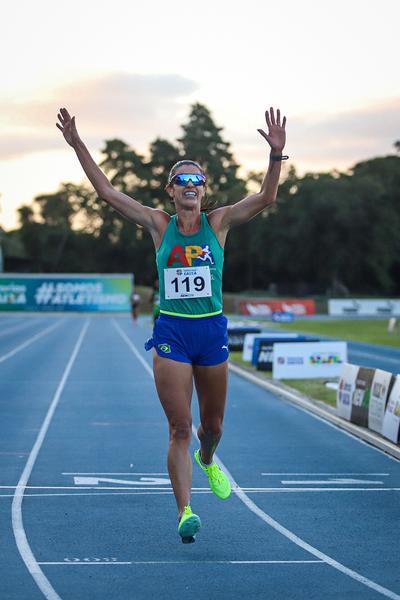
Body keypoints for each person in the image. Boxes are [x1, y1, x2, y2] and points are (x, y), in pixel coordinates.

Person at [57, 106, 287, 543]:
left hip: (212, 332)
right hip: (173, 333)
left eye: (196, 179)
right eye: (181, 180)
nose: (190, 185)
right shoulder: (158, 226)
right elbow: (107, 192)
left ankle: (207, 457)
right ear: (170, 191)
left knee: (212, 427)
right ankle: (185, 511)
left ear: (205, 190)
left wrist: (275, 156)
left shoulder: (218, 224)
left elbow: (264, 199)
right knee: (179, 426)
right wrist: (77, 145)